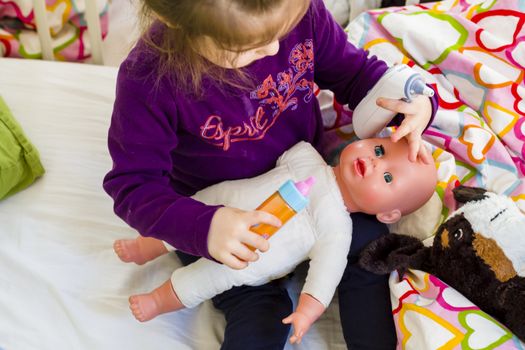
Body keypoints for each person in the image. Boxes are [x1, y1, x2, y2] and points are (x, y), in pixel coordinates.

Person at [103, 0, 439, 348]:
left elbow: (359, 77)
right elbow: (133, 187)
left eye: (283, 30)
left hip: (314, 189)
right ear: (180, 24)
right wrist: (205, 226)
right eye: (249, 47)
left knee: (372, 246)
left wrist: (416, 104)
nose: (275, 48)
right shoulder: (150, 79)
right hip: (220, 220)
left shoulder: (296, 11)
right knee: (259, 309)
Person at [114, 137, 438, 344]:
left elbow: (324, 276)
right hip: (218, 209)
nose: (375, 161)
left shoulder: (338, 229)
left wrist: (307, 312)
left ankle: (158, 300)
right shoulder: (306, 153)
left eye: (387, 177)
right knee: (187, 216)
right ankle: (146, 247)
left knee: (204, 279)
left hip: (246, 260)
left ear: (388, 215)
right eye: (379, 149)